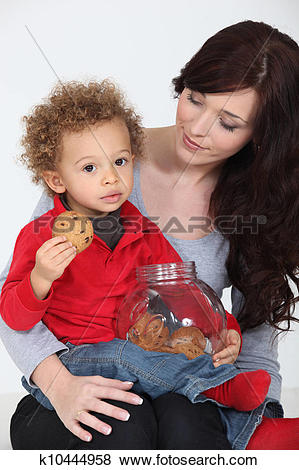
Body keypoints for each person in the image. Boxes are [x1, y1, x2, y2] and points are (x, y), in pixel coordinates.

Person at [0, 19, 298, 450]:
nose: (197, 128)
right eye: (194, 100)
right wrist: (59, 385)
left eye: (227, 124)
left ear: (262, 136)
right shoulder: (95, 155)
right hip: (74, 374)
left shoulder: (254, 201)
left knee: (186, 424)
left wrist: (227, 335)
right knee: (122, 421)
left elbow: (206, 301)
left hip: (185, 384)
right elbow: (13, 306)